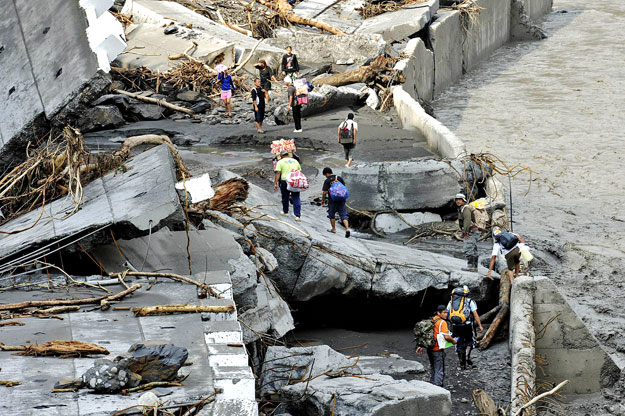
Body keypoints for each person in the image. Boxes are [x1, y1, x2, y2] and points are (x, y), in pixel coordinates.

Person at [416, 305, 457, 387]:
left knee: (433, 366)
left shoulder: (432, 320)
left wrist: (420, 346)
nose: (446, 314)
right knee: (439, 368)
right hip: (438, 349)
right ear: (439, 313)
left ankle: (432, 384)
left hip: (430, 348)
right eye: (444, 313)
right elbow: (446, 336)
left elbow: (425, 334)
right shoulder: (442, 322)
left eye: (447, 312)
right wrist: (453, 341)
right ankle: (438, 387)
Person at [447, 286, 483, 370]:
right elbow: (475, 314)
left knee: (458, 342)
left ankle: (461, 363)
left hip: (456, 326)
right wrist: (480, 325)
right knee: (470, 341)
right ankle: (467, 356)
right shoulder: (470, 301)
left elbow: (448, 314)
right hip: (467, 326)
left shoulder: (451, 302)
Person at [321, 167, 350, 238]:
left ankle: (333, 229)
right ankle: (347, 229)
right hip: (342, 199)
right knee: (343, 215)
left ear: (327, 173)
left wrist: (323, 201)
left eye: (325, 175)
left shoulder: (327, 180)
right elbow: (344, 187)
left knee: (332, 214)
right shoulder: (339, 178)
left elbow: (324, 192)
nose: (325, 176)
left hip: (332, 200)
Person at [274, 150, 302, 221]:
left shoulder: (280, 162)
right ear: (288, 155)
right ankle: (297, 216)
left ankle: (285, 212)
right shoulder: (295, 161)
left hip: (285, 181)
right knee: (296, 197)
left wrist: (275, 183)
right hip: (294, 181)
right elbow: (299, 171)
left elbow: (278, 173)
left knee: (285, 196)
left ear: (281, 156)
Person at [455, 193, 479, 272]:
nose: (458, 201)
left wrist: (464, 232)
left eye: (460, 200)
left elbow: (467, 221)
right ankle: (474, 267)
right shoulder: (463, 208)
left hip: (470, 232)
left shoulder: (466, 209)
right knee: (473, 249)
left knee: (468, 249)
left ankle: (470, 267)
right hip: (473, 231)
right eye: (457, 200)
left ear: (464, 201)